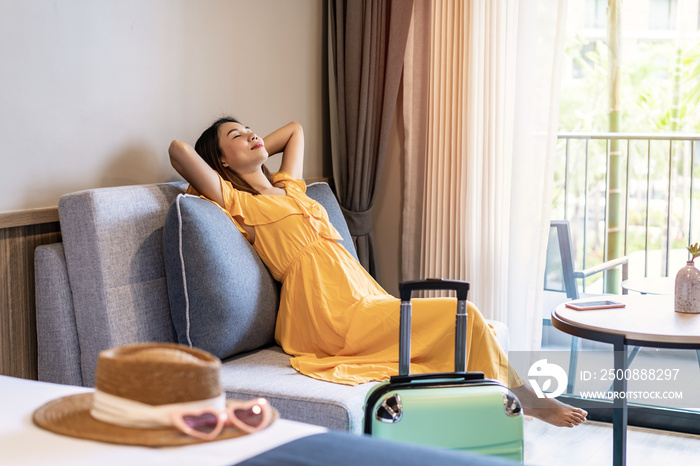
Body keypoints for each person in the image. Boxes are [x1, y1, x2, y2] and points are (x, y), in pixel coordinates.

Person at [168, 117, 587, 428]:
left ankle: (482, 411)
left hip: (362, 294)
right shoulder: (238, 202)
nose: (251, 135)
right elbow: (178, 150)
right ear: (221, 159)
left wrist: (252, 145)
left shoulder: (290, 186)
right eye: (235, 137)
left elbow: (295, 128)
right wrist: (230, 160)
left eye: (250, 128)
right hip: (326, 312)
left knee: (473, 329)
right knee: (466, 315)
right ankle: (522, 396)